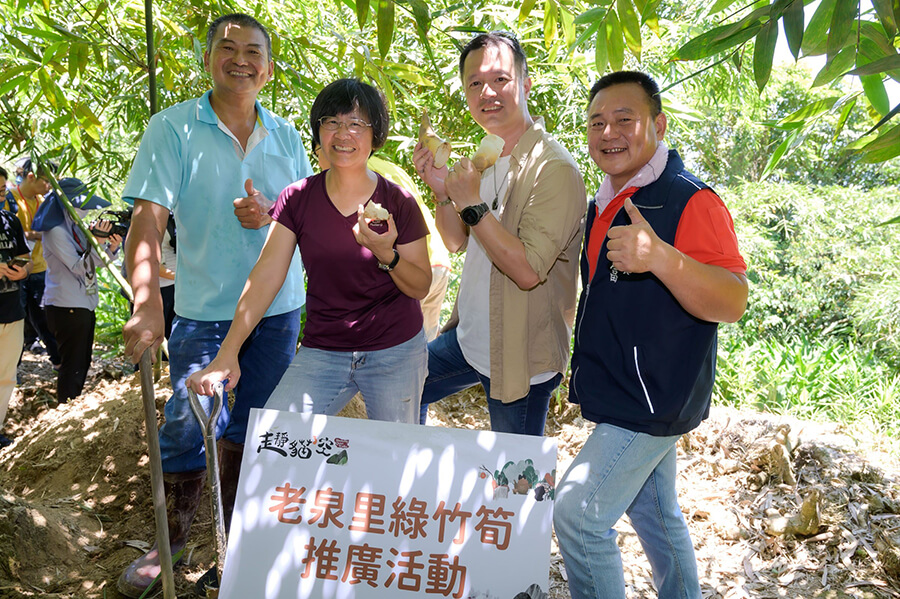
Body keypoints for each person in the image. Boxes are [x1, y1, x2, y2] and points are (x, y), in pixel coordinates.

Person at [117, 13, 312, 597]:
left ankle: (236, 542)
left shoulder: (287, 135)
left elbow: (302, 215)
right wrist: (148, 300)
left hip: (278, 311)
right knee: (185, 418)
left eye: (253, 51)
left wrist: (270, 213)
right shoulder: (172, 129)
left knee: (257, 429)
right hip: (203, 312)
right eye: (226, 48)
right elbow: (147, 218)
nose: (240, 59)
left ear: (269, 69)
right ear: (208, 60)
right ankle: (173, 538)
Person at [553, 71, 749, 599]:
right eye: (597, 122)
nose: (608, 132)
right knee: (654, 512)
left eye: (625, 119)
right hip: (621, 390)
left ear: (658, 125)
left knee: (577, 512)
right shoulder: (604, 199)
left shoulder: (689, 200)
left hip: (653, 395)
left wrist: (662, 257)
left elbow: (733, 300)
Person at [188, 78, 431, 424]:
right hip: (325, 349)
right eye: (331, 122)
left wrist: (386, 254)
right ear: (318, 133)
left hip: (395, 349)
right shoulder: (297, 198)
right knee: (277, 434)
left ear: (375, 136)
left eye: (356, 124)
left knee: (392, 456)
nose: (343, 134)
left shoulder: (398, 202)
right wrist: (228, 353)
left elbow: (420, 285)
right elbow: (265, 277)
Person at [412, 31, 586, 436]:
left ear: (525, 84)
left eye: (500, 79)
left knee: (515, 479)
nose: (487, 91)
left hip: (519, 354)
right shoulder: (487, 158)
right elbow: (458, 241)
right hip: (470, 337)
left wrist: (472, 203)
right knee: (404, 385)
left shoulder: (553, 168)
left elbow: (527, 271)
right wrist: (442, 191)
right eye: (475, 83)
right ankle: (411, 484)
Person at [313, 140, 452, 341]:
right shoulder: (389, 168)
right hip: (437, 263)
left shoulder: (355, 177)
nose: (319, 164)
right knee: (423, 353)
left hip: (408, 271)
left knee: (395, 353)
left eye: (319, 154)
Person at [32, 178, 122, 403]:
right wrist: (98, 243)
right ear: (67, 205)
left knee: (81, 362)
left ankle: (71, 404)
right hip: (66, 306)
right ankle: (66, 408)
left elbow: (95, 262)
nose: (86, 211)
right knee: (72, 366)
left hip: (82, 304)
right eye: (82, 206)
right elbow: (78, 267)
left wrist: (110, 246)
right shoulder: (56, 232)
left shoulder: (74, 227)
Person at [9, 159, 61, 368]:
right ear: (31, 177)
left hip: (40, 267)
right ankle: (13, 369)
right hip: (16, 270)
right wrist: (34, 234)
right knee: (14, 322)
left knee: (45, 319)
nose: (49, 186)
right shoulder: (10, 199)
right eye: (47, 181)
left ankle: (59, 363)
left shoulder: (44, 200)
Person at [0, 206, 32, 449]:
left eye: (1, 192)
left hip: (12, 311)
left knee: (6, 377)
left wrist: (23, 271)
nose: (1, 198)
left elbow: (28, 258)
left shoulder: (11, 220)